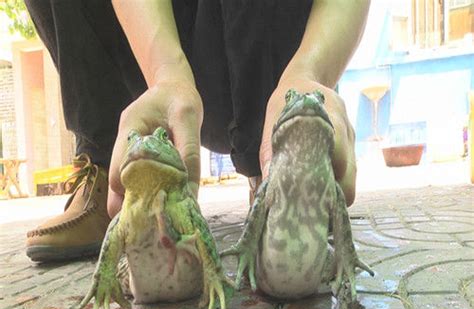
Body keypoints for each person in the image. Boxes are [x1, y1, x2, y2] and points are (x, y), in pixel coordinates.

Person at [25, 0, 370, 262]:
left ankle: (276, 175)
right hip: (152, 59)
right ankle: (107, 165)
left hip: (272, 54)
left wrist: (311, 70)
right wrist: (164, 72)